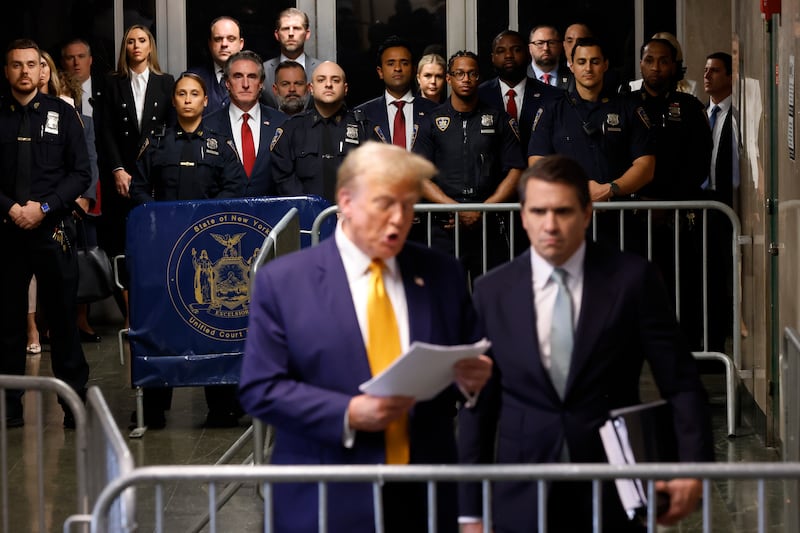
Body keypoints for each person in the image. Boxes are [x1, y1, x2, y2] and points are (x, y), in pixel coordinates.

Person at [239, 141, 492, 533]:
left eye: (408, 206)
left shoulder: (442, 274)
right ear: (346, 201)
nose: (398, 220)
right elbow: (260, 388)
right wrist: (347, 413)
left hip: (424, 499)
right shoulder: (285, 282)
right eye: (384, 204)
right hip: (327, 498)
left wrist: (474, 383)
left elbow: (471, 368)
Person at [458, 155, 715, 533]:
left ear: (587, 213)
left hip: (612, 484)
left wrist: (692, 469)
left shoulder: (632, 280)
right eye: (539, 211)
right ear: (523, 215)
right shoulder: (491, 291)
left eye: (563, 211)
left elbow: (681, 383)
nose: (550, 225)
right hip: (523, 488)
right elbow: (477, 407)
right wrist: (471, 512)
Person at [130, 73, 247, 428]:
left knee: (210, 324)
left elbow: (236, 187)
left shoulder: (218, 144)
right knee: (160, 324)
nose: (187, 99)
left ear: (205, 101)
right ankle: (153, 407)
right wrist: (159, 216)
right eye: (181, 93)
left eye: (194, 93)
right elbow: (137, 188)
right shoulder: (157, 142)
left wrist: (204, 217)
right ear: (174, 100)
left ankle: (222, 405)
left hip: (205, 251)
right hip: (162, 250)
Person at [0, 38, 92, 429]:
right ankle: (10, 408)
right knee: (5, 325)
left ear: (42, 70)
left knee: (63, 322)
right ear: (7, 71)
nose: (24, 72)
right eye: (16, 65)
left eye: (31, 64)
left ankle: (75, 407)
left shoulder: (63, 113)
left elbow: (81, 174)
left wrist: (45, 207)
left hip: (53, 231)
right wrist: (10, 207)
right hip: (5, 233)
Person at [413, 50, 525, 282]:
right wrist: (456, 209)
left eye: (472, 73)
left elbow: (516, 169)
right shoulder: (431, 122)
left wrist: (483, 209)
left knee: (491, 300)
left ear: (479, 78)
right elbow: (418, 176)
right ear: (449, 78)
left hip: (490, 225)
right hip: (444, 226)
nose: (466, 79)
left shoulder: (498, 119)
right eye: (460, 73)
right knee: (444, 299)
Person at [630, 38, 712, 349]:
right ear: (641, 64)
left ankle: (686, 349)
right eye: (649, 60)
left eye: (664, 61)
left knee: (683, 286)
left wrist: (668, 201)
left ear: (674, 66)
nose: (656, 68)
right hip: (634, 213)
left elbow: (699, 162)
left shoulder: (690, 108)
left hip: (677, 212)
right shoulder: (626, 104)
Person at [100, 25, 174, 325]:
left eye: (142, 40)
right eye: (130, 41)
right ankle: (131, 315)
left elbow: (169, 132)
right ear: (124, 48)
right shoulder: (112, 83)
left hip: (153, 177)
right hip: (122, 175)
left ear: (150, 46)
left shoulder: (166, 82)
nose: (136, 46)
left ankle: (158, 312)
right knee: (123, 245)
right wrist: (118, 169)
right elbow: (105, 132)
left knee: (156, 246)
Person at [528, 37, 655, 204]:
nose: (588, 68)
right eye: (581, 62)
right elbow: (537, 163)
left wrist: (611, 189)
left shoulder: (628, 109)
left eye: (595, 61)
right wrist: (574, 190)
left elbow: (645, 166)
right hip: (568, 212)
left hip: (618, 216)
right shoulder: (552, 110)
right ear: (571, 66)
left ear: (605, 65)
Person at [270, 61, 371, 203]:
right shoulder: (291, 129)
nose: (328, 85)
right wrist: (310, 209)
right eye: (321, 80)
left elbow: (374, 176)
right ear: (311, 88)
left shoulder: (362, 127)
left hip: (353, 216)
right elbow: (283, 178)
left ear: (345, 88)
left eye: (335, 80)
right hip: (306, 219)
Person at [205, 50, 287, 197]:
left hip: (273, 216)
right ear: (227, 83)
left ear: (261, 84)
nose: (245, 84)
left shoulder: (282, 123)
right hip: (223, 215)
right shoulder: (207, 125)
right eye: (238, 76)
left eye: (252, 77)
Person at [702, 51, 738, 354]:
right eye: (705, 70)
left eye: (714, 70)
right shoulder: (700, 113)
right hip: (704, 203)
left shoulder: (736, 115)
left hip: (728, 202)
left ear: (730, 76)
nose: (707, 76)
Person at [479, 30, 559, 157]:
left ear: (528, 54)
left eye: (516, 49)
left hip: (538, 171)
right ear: (493, 58)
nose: (508, 55)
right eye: (501, 51)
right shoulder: (479, 95)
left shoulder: (551, 96)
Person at [355, 36, 436, 151]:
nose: (397, 68)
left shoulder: (433, 111)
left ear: (414, 70)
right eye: (391, 63)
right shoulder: (363, 114)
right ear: (380, 72)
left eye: (404, 63)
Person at [262, 8, 322, 109]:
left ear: (307, 34)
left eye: (297, 28)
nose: (291, 33)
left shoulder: (321, 70)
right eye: (285, 28)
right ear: (277, 35)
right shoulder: (262, 70)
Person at [186, 16, 244, 116]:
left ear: (241, 44)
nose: (224, 44)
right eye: (218, 39)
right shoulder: (191, 78)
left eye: (231, 39)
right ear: (210, 44)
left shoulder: (254, 78)